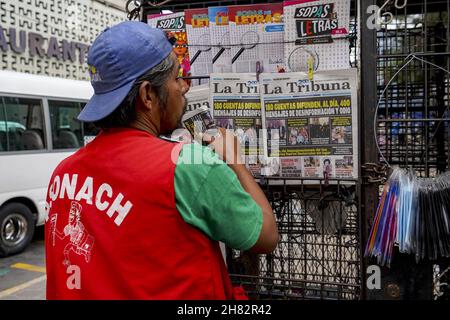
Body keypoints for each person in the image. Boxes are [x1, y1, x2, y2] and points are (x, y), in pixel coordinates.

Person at [45, 21, 278, 300]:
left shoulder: (63, 173)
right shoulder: (188, 165)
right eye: (177, 77)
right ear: (148, 95)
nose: (184, 87)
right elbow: (266, 237)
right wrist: (235, 160)